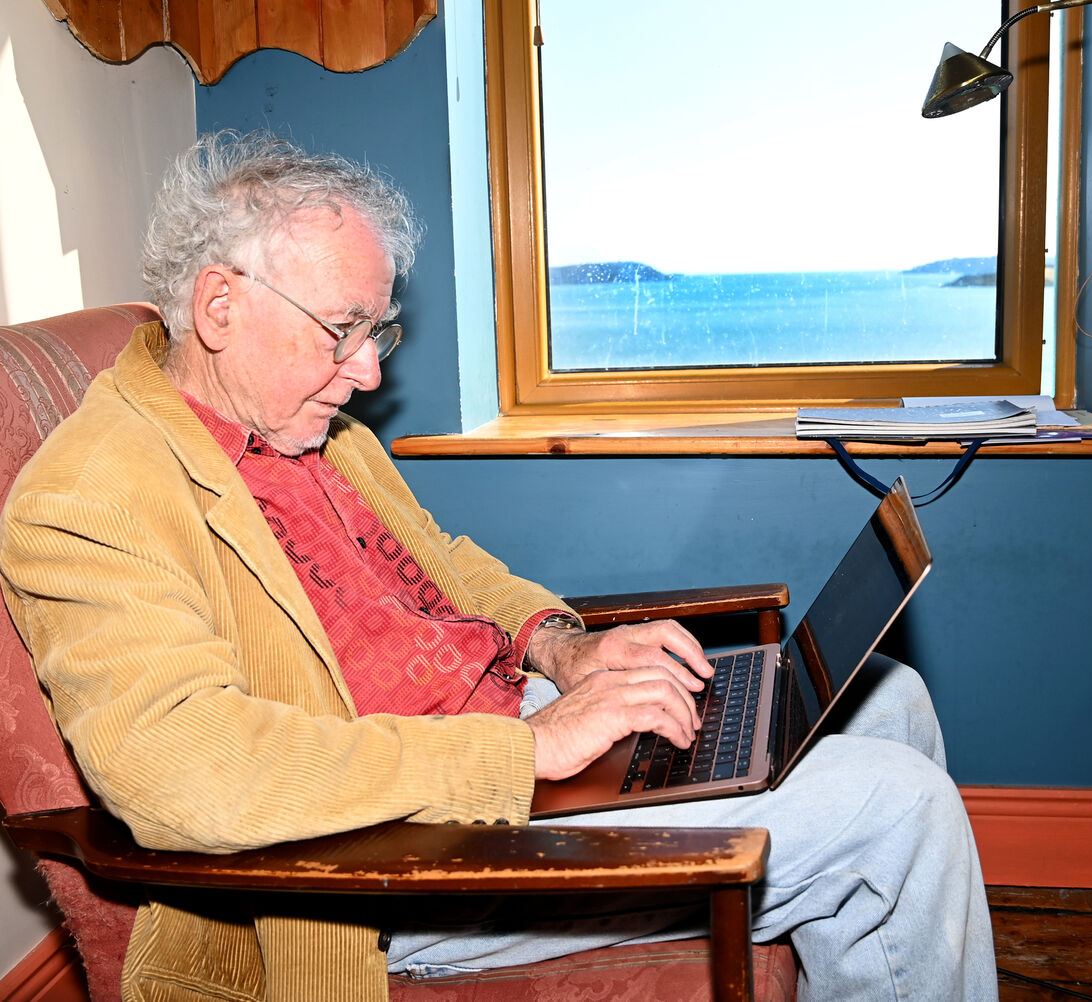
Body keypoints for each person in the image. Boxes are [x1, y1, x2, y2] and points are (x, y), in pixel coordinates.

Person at [0, 131, 998, 1002]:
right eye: (343, 328)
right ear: (220, 305)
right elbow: (185, 773)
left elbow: (453, 569)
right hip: (388, 857)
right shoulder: (90, 496)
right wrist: (531, 754)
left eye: (375, 329)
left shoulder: (316, 431)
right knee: (895, 816)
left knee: (889, 698)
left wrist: (570, 654)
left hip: (503, 740)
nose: (371, 371)